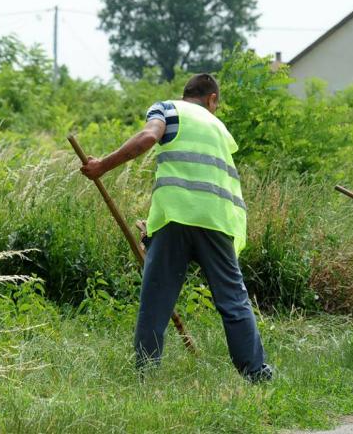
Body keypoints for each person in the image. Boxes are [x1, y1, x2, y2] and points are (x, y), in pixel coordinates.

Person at [80, 74, 273, 382]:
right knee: (234, 301)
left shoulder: (167, 109)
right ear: (212, 100)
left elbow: (147, 138)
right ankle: (256, 373)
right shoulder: (220, 129)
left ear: (187, 95)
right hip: (218, 221)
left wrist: (103, 165)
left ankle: (146, 374)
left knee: (156, 300)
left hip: (175, 218)